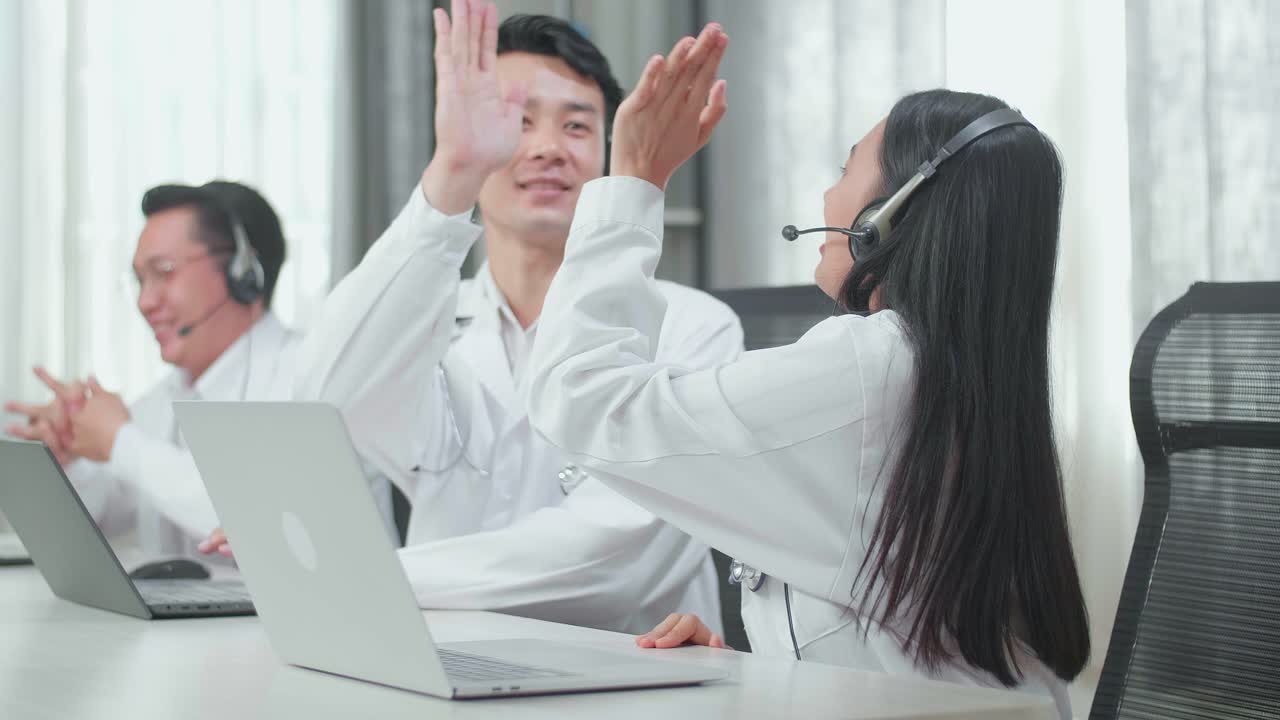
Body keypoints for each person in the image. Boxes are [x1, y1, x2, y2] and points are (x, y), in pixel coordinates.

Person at [526, 23, 1090, 718]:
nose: (827, 197)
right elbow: (892, 626)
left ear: (886, 217)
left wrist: (632, 183)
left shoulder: (868, 369)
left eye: (845, 168)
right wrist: (757, 667)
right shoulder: (949, 376)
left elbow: (577, 400)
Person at [202, 3, 742, 635]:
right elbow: (326, 398)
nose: (545, 148)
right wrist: (452, 173)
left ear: (608, 152)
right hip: (442, 670)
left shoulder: (695, 328)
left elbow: (615, 560)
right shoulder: (427, 323)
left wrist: (362, 573)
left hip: (627, 675)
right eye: (515, 122)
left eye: (575, 125)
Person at [4, 182, 393, 562]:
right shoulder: (165, 398)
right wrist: (69, 458)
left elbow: (263, 523)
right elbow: (100, 517)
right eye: (140, 280)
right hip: (189, 628)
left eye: (164, 272)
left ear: (243, 272)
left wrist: (119, 440)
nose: (145, 301)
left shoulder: (315, 375)